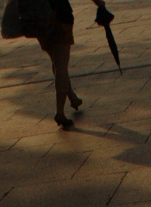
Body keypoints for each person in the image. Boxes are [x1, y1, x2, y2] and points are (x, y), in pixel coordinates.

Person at [37, 0, 105, 128]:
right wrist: (99, 2)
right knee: (61, 66)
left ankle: (72, 97)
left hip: (38, 22)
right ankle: (60, 113)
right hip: (60, 19)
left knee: (57, 62)